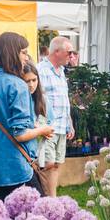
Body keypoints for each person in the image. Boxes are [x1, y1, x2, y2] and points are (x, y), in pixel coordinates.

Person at [0, 32, 51, 200]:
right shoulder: (17, 84)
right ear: (12, 53)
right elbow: (20, 134)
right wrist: (43, 129)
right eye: (23, 52)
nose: (26, 57)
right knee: (38, 219)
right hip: (16, 167)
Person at [35, 36, 75, 195]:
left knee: (56, 165)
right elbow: (37, 99)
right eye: (69, 52)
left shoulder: (61, 71)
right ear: (57, 51)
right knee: (47, 165)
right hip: (48, 127)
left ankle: (51, 199)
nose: (71, 56)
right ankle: (49, 203)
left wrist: (69, 122)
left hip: (61, 127)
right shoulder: (41, 70)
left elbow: (63, 99)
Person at [20, 62, 56, 193]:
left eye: (34, 80)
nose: (31, 85)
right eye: (27, 81)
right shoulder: (19, 98)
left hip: (40, 148)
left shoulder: (42, 99)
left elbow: (51, 123)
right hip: (24, 151)